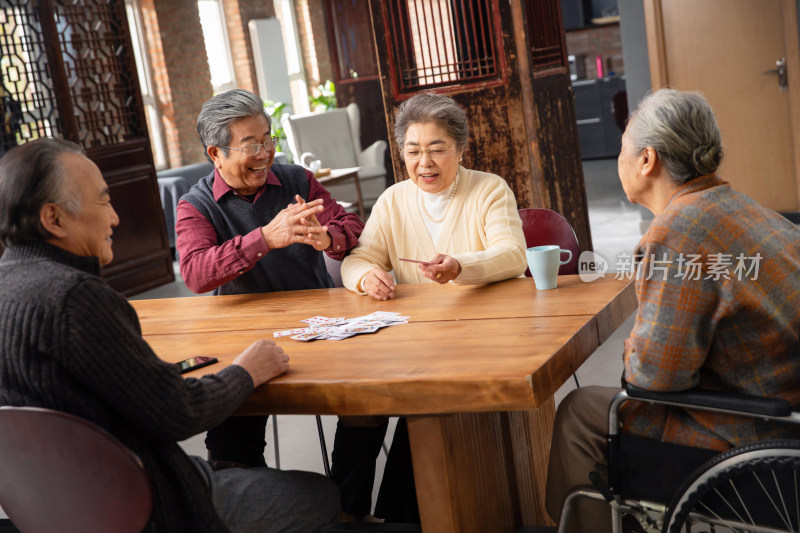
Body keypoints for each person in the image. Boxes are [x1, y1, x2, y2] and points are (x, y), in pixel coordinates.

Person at [0, 138, 340, 532]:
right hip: (147, 506)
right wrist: (246, 370)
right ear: (53, 219)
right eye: (102, 201)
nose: (115, 218)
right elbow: (175, 414)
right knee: (320, 495)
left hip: (55, 510)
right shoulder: (76, 297)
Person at [545, 88, 800, 533]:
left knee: (582, 411)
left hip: (756, 445)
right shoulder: (747, 209)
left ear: (647, 160)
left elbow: (653, 380)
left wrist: (636, 349)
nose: (619, 161)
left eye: (623, 149)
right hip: (783, 415)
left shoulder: (678, 234)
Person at [336, 92, 527, 522]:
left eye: (438, 149)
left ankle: (401, 517)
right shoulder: (393, 200)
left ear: (460, 148)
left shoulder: (489, 190)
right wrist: (367, 277)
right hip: (412, 341)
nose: (425, 162)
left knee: (422, 407)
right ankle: (343, 515)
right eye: (414, 150)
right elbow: (359, 258)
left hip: (475, 342)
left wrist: (461, 265)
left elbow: (513, 254)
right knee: (358, 403)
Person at [175, 89, 364, 472]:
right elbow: (195, 272)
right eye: (251, 145)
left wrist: (327, 238)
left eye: (268, 140)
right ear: (216, 153)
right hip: (241, 335)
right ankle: (256, 510)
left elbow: (351, 226)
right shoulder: (195, 205)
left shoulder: (297, 179)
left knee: (368, 407)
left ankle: (348, 508)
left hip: (319, 326)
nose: (264, 154)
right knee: (229, 430)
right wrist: (265, 238)